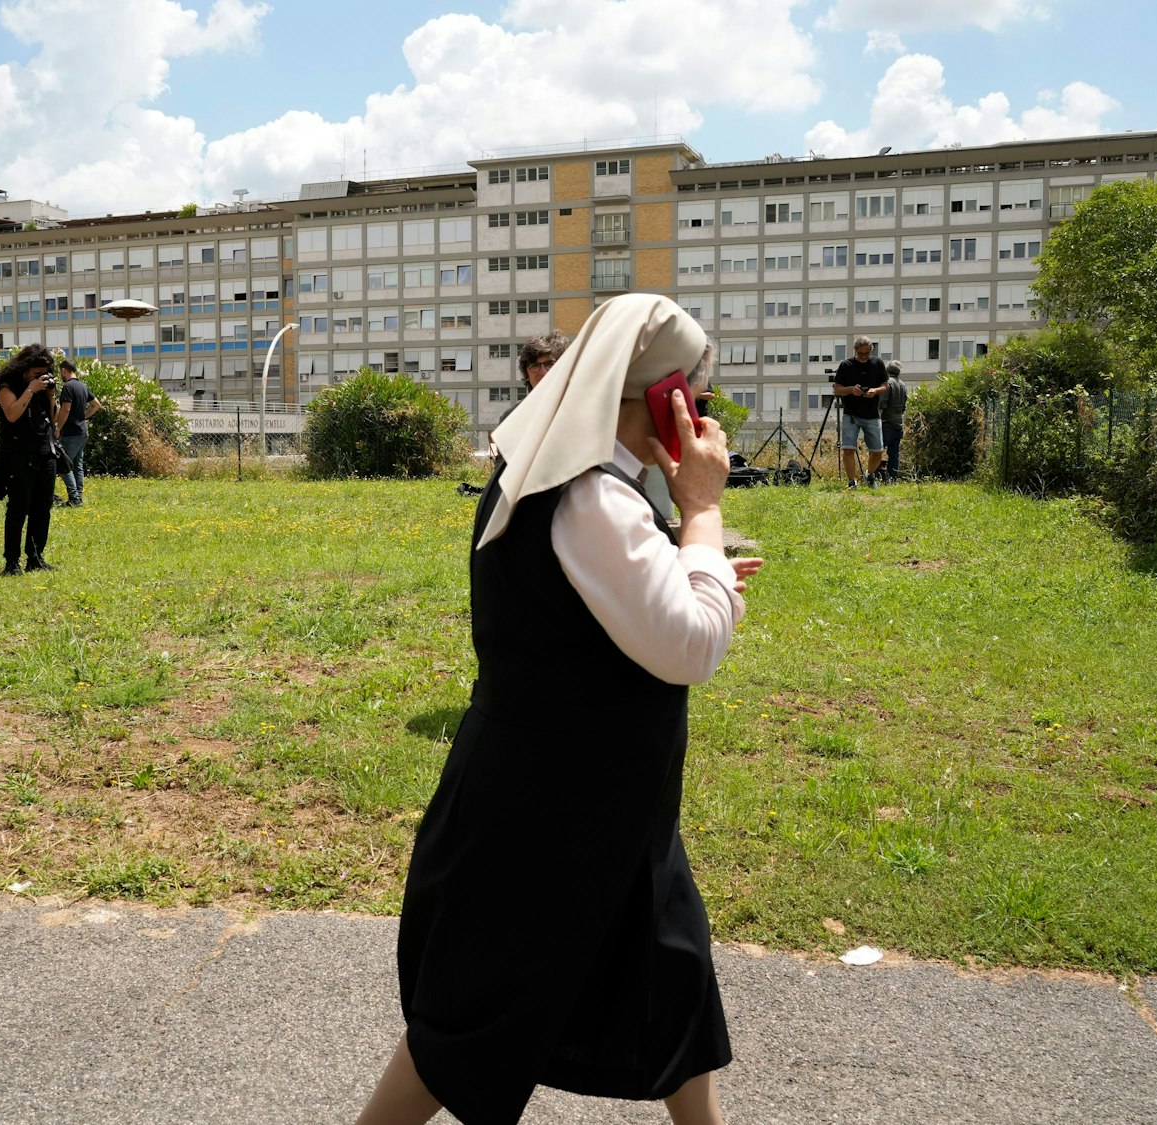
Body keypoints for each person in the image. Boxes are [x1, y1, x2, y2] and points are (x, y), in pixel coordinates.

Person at [355, 293, 763, 1125]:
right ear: (662, 398)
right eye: (697, 397)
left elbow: (635, 614)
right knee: (472, 1014)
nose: (704, 417)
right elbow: (688, 646)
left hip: (590, 795)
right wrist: (705, 514)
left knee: (672, 967)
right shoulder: (595, 499)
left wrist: (698, 564)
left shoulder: (561, 475)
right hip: (557, 807)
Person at [0, 343, 62, 574]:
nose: (42, 378)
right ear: (24, 370)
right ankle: (12, 561)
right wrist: (30, 389)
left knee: (42, 508)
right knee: (18, 509)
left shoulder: (43, 389)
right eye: (36, 374)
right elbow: (12, 414)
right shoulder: (8, 386)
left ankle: (35, 556)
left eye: (45, 373)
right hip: (19, 455)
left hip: (45, 453)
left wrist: (51, 396)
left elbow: (54, 421)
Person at [832, 335, 888, 489]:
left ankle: (869, 474)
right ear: (855, 351)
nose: (864, 356)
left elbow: (885, 385)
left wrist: (875, 391)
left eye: (867, 353)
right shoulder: (846, 365)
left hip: (872, 414)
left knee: (878, 451)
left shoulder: (878, 364)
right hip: (851, 414)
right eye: (861, 354)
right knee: (848, 449)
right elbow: (837, 389)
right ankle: (852, 481)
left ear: (871, 351)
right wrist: (851, 390)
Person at [52, 358, 98, 507]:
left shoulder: (68, 387)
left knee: (63, 465)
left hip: (71, 432)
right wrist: (83, 416)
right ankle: (78, 496)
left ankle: (74, 498)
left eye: (61, 372)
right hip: (82, 432)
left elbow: (66, 409)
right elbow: (96, 405)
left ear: (64, 370)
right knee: (77, 464)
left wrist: (58, 427)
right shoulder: (82, 386)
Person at [880, 360, 909, 484]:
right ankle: (893, 478)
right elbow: (904, 407)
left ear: (887, 371)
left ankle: (875, 476)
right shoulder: (903, 385)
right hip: (899, 424)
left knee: (877, 450)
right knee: (894, 453)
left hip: (886, 423)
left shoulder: (887, 384)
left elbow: (882, 404)